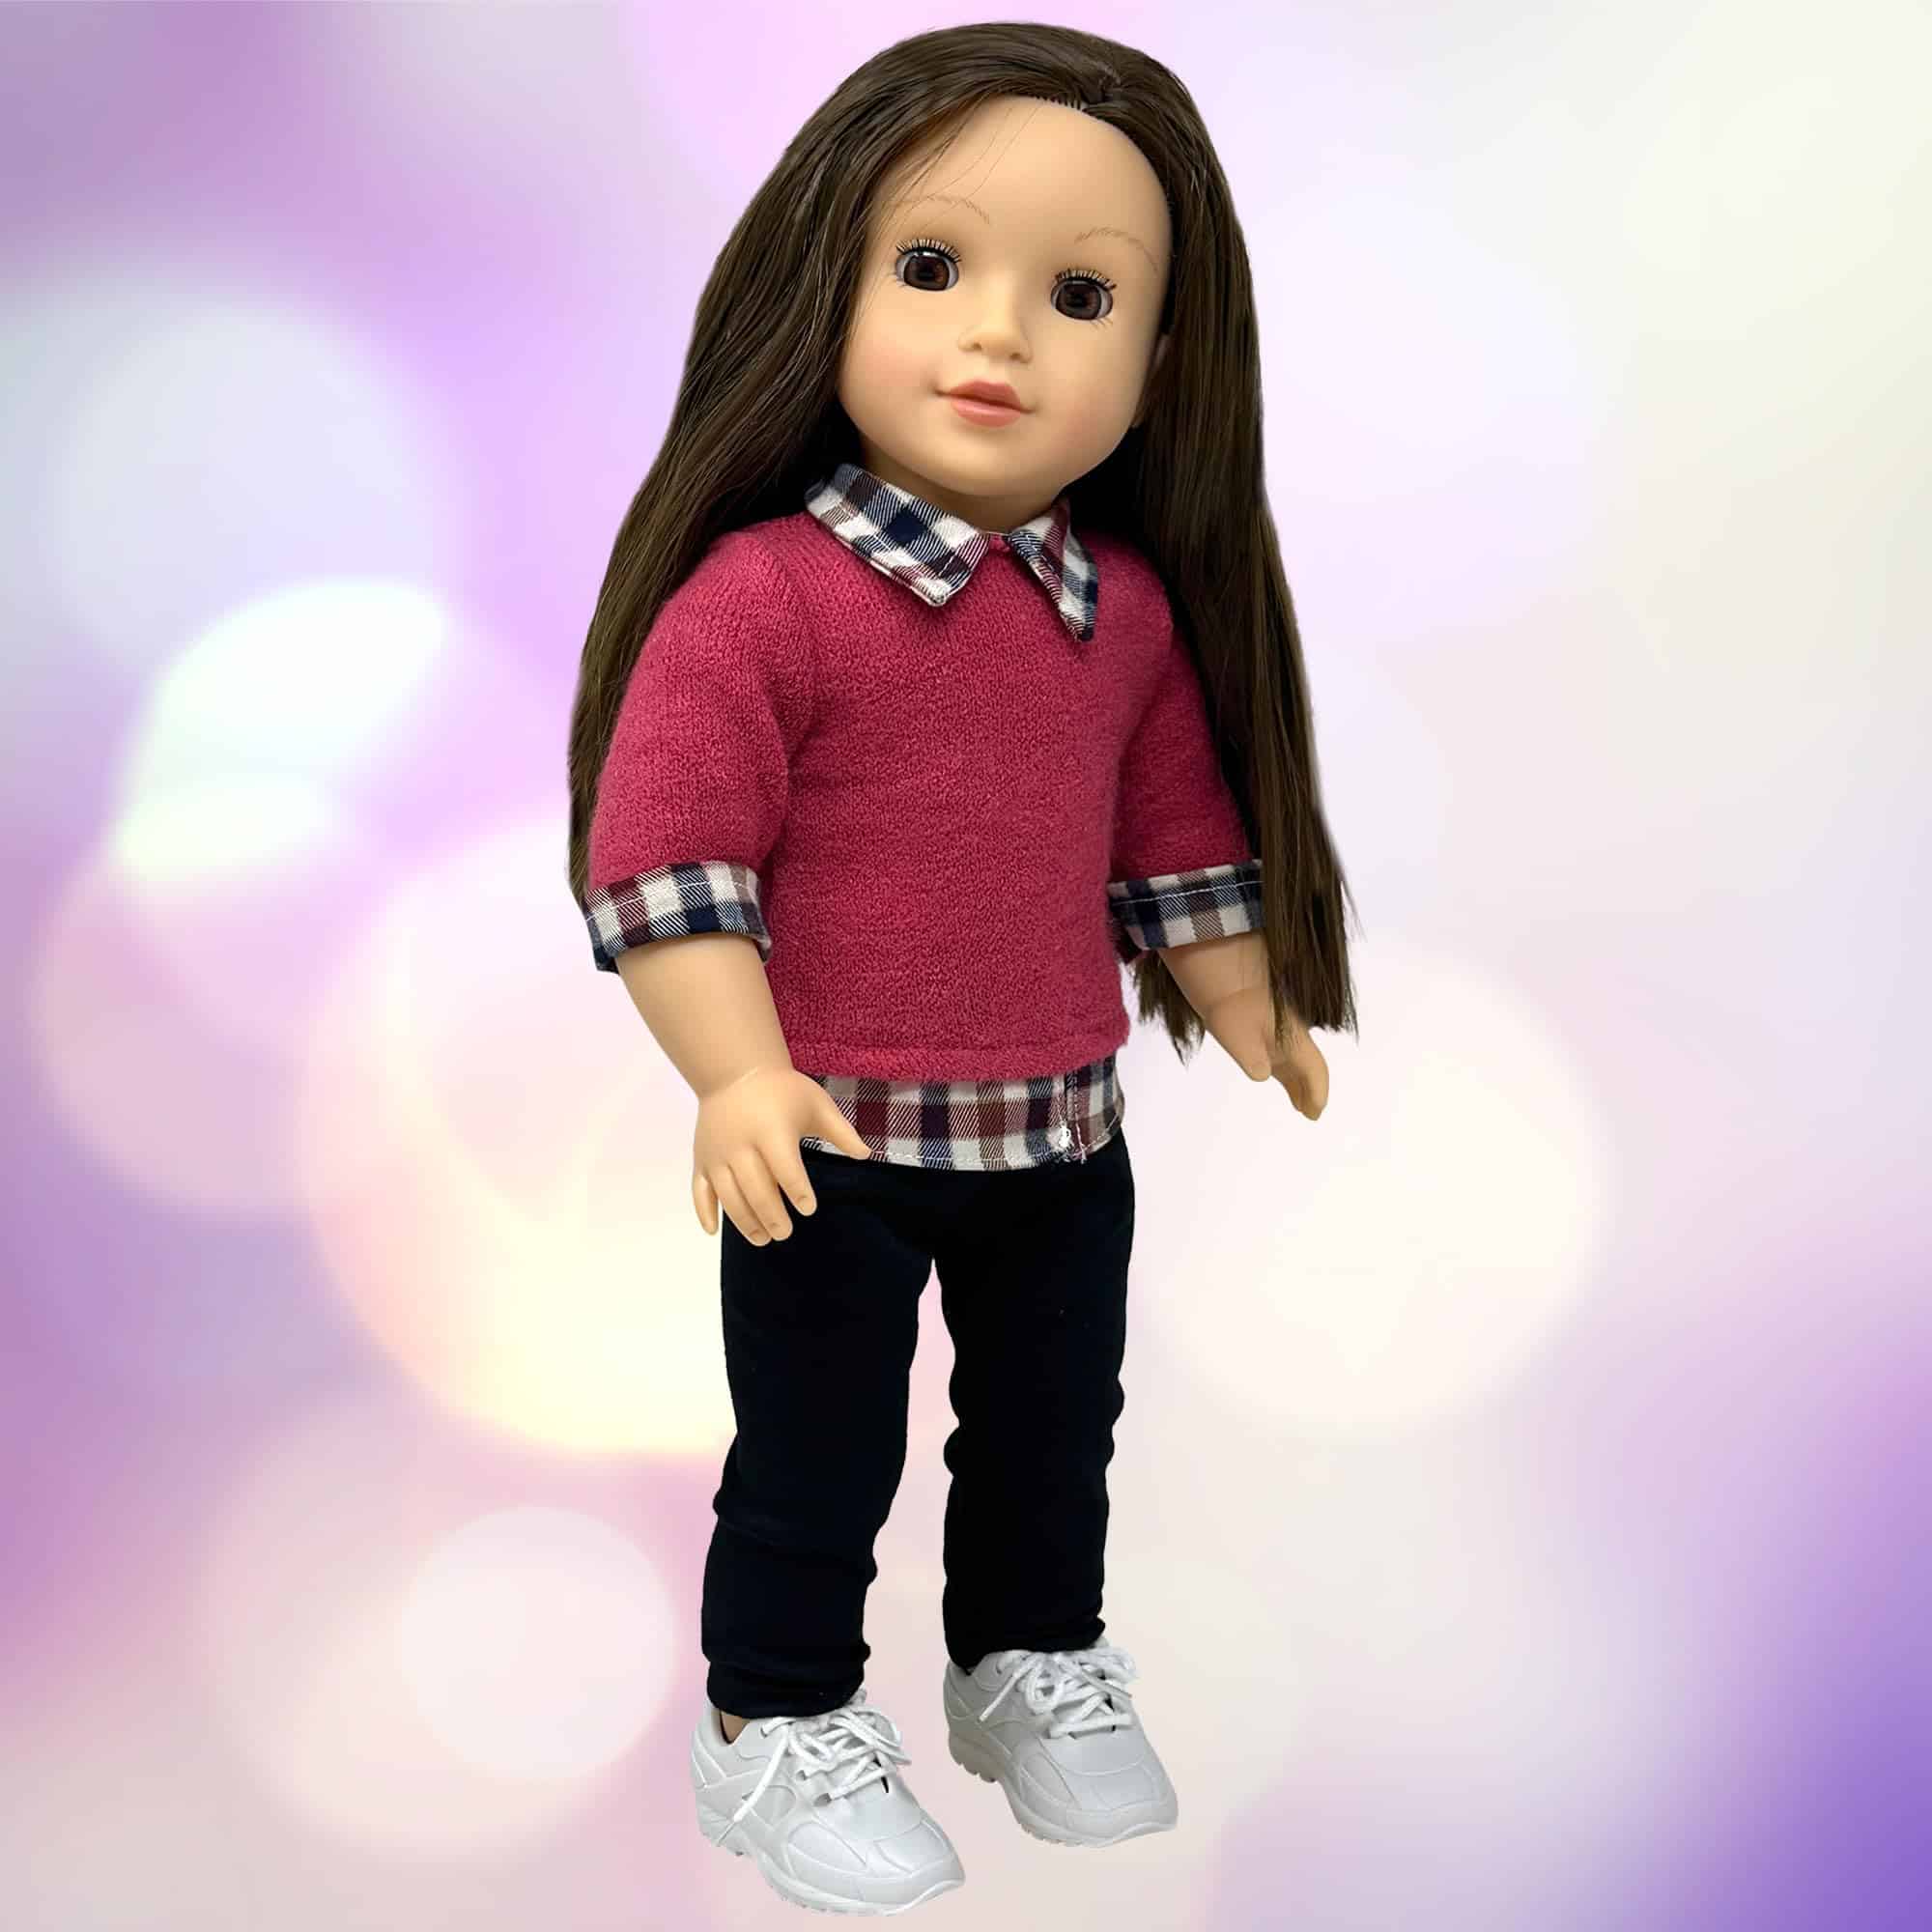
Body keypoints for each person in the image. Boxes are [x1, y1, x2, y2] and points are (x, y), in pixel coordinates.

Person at [564, 22, 1358, 1917]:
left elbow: (1172, 838)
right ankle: (772, 1714)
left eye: (1080, 295)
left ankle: (1027, 1657)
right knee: (816, 1454)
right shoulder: (763, 599)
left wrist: (1246, 999)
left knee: (1050, 1436)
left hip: (1061, 1138)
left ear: (1161, 365)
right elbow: (668, 856)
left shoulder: (1124, 615)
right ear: (819, 286)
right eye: (931, 267)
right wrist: (734, 1072)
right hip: (830, 1138)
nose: (998, 335)